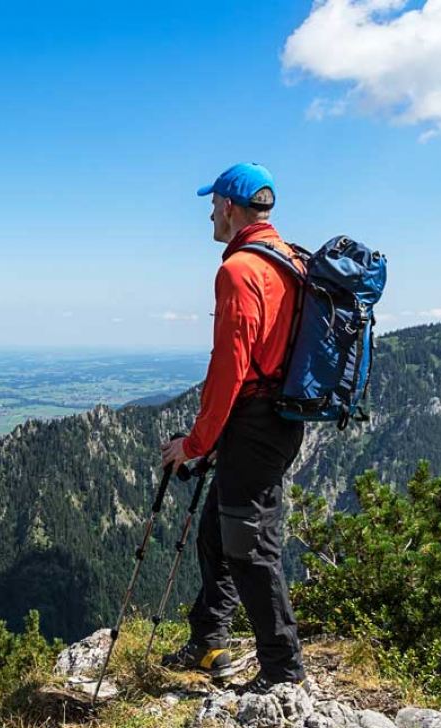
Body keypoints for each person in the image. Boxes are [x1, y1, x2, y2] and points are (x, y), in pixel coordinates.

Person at [158, 162, 307, 693]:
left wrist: (197, 442)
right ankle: (209, 638)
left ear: (230, 205)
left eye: (214, 202)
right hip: (278, 420)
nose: (209, 212)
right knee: (219, 533)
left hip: (254, 423)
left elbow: (231, 365)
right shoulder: (290, 260)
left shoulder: (241, 269)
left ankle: (283, 672)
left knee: (249, 545)